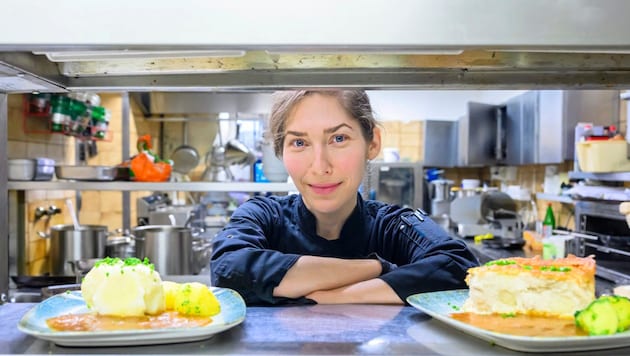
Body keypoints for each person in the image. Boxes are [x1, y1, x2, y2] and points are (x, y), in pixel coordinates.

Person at [210, 90, 479, 305]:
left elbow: (459, 266)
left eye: (338, 138)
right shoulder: (263, 214)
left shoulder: (393, 225)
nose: (320, 166)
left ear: (372, 143)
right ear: (281, 151)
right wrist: (378, 268)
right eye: (299, 143)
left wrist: (340, 297)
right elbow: (228, 268)